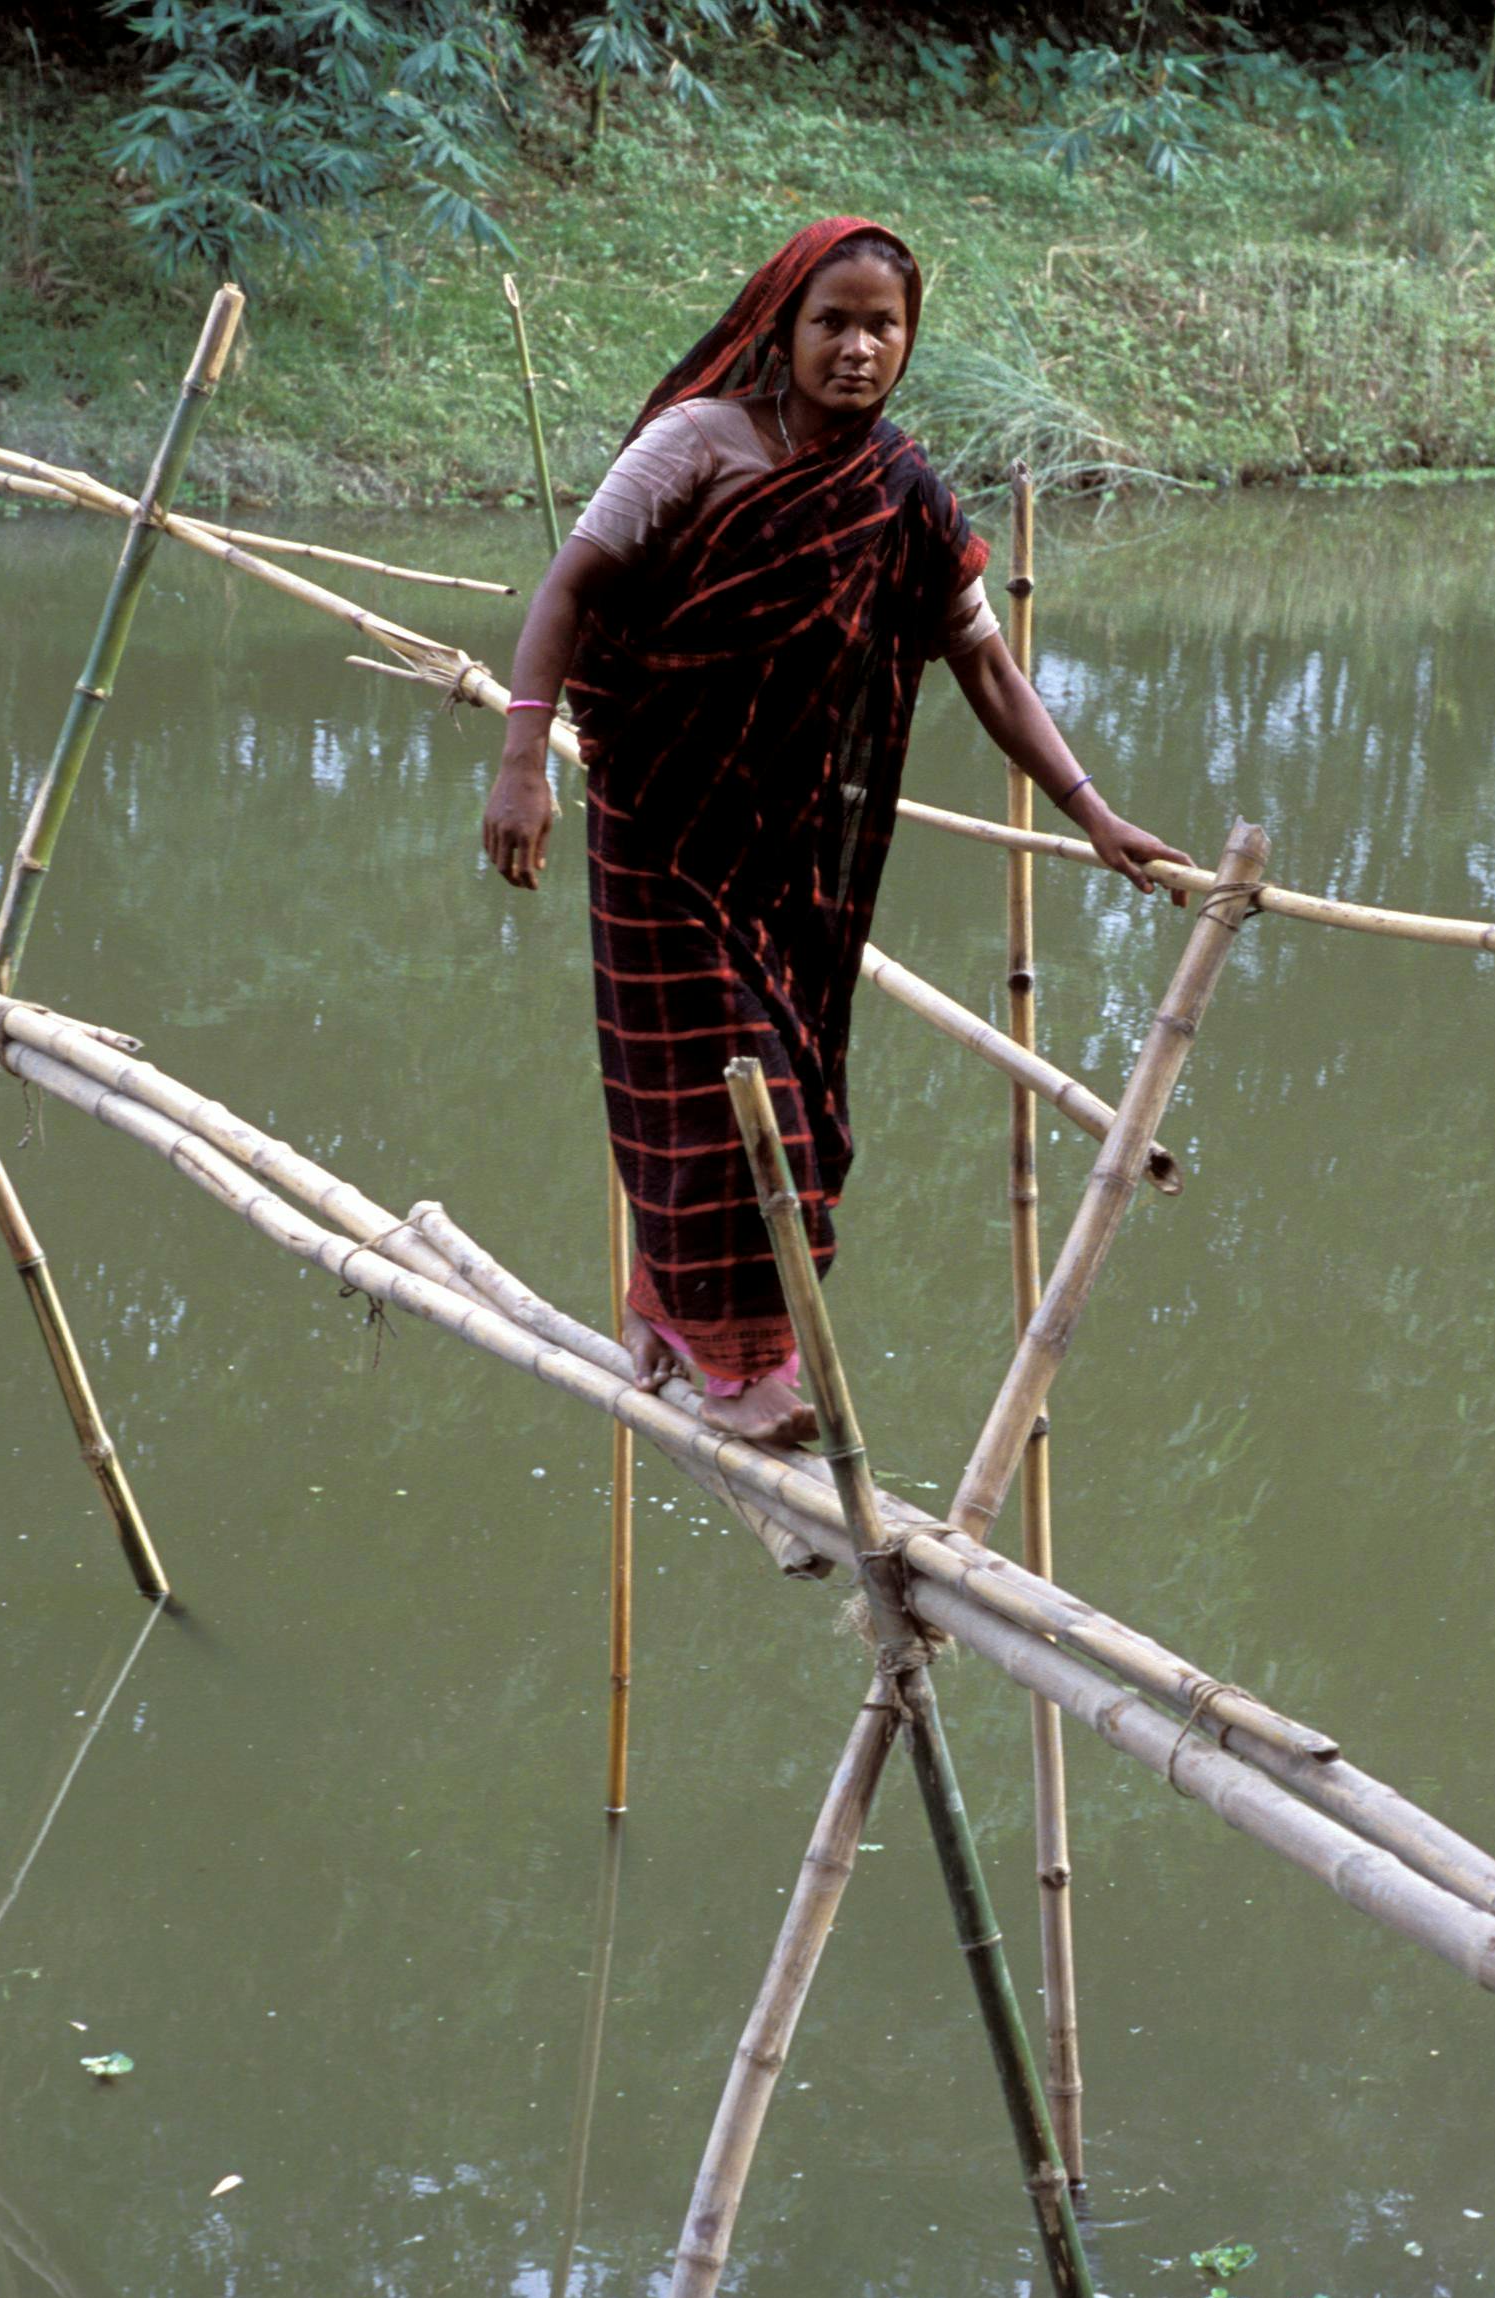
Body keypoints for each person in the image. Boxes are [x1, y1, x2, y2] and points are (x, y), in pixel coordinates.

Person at [481, 215, 1181, 1448]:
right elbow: (572, 585)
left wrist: (1094, 811)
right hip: (660, 824)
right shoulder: (694, 445)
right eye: (834, 322)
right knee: (737, 1114)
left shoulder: (902, 491)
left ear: (908, 342)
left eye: (883, 327)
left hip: (786, 858)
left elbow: (987, 664)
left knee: (798, 1104)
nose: (858, 348)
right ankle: (749, 1372)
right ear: (782, 327)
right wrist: (522, 756)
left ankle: (669, 1301)